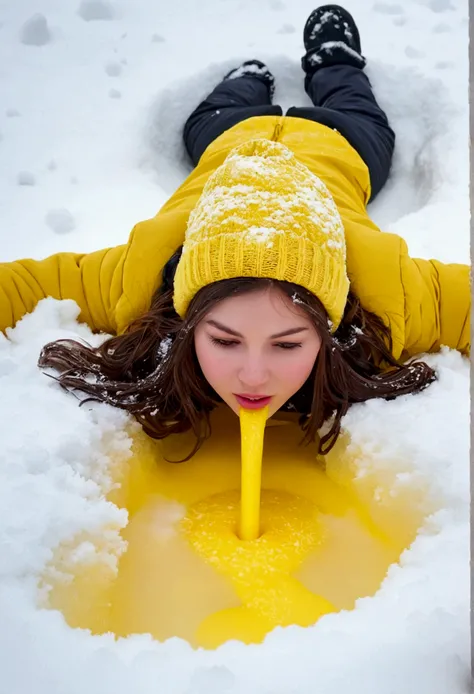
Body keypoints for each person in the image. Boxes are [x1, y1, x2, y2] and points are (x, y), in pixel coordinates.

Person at [0, 5, 469, 459]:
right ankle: (246, 79)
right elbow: (21, 287)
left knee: (356, 107)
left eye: (287, 344)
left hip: (339, 138)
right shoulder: (140, 276)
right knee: (207, 120)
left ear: (328, 326)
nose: (253, 376)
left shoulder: (390, 290)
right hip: (233, 135)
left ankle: (335, 62)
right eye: (224, 340)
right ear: (186, 320)